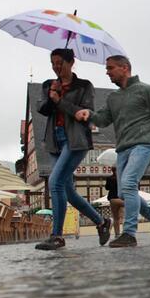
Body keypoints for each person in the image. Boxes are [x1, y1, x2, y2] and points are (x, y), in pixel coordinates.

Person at [76, 55, 150, 248]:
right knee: (125, 193)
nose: (107, 72)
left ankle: (129, 233)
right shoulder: (113, 97)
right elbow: (102, 120)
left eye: (110, 68)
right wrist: (89, 114)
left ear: (124, 68)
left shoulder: (146, 90)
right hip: (123, 148)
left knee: (128, 185)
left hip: (144, 144)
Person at [35, 49, 112, 251]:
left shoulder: (85, 86)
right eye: (53, 63)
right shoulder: (48, 85)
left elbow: (83, 113)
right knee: (67, 191)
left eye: (60, 62)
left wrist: (61, 100)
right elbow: (41, 109)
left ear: (71, 62)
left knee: (55, 182)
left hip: (76, 140)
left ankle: (57, 236)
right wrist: (51, 97)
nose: (56, 66)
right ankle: (102, 222)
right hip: (54, 141)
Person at [105, 167, 124, 238]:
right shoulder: (121, 178)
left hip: (112, 199)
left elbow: (107, 188)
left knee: (116, 218)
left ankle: (117, 234)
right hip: (120, 198)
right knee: (122, 216)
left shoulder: (109, 178)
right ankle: (126, 232)